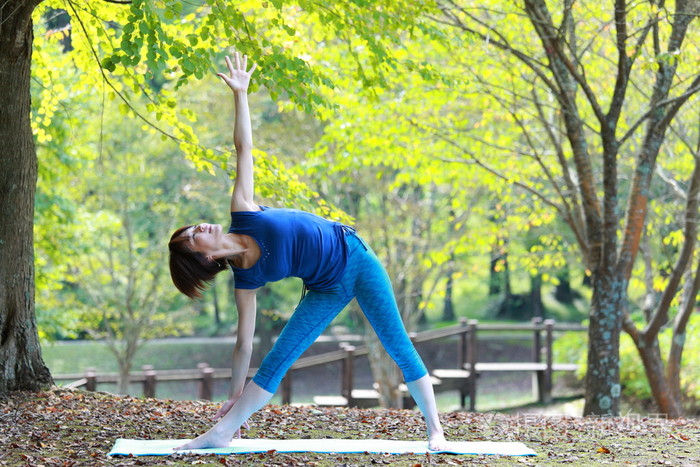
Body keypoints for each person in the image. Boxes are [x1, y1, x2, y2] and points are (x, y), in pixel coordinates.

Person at [168, 52, 447, 451]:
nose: (201, 227)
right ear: (205, 259)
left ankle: (435, 430)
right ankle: (221, 432)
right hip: (326, 289)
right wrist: (233, 395)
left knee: (398, 344)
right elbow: (243, 343)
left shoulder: (242, 211)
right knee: (277, 359)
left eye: (194, 226)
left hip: (357, 260)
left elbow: (243, 149)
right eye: (195, 237)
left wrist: (241, 94)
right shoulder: (245, 280)